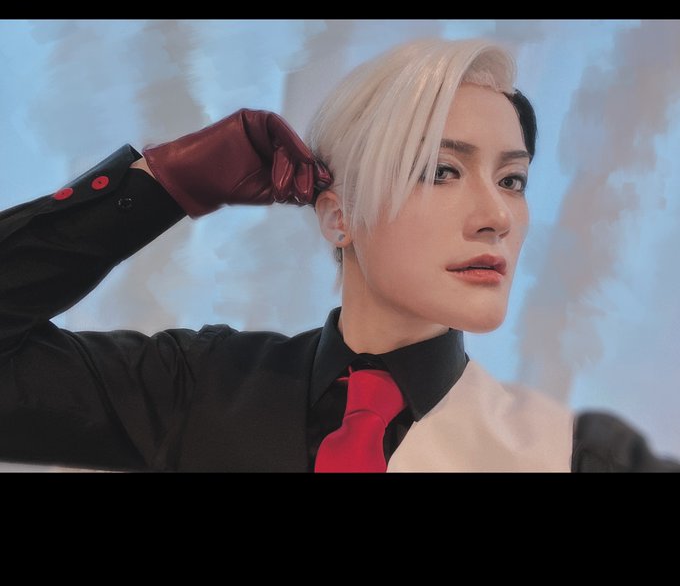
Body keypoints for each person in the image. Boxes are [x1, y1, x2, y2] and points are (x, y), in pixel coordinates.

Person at [0, 38, 677, 472]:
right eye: (442, 170)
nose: (497, 216)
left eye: (513, 180)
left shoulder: (582, 457)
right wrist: (166, 182)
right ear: (338, 216)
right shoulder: (194, 385)